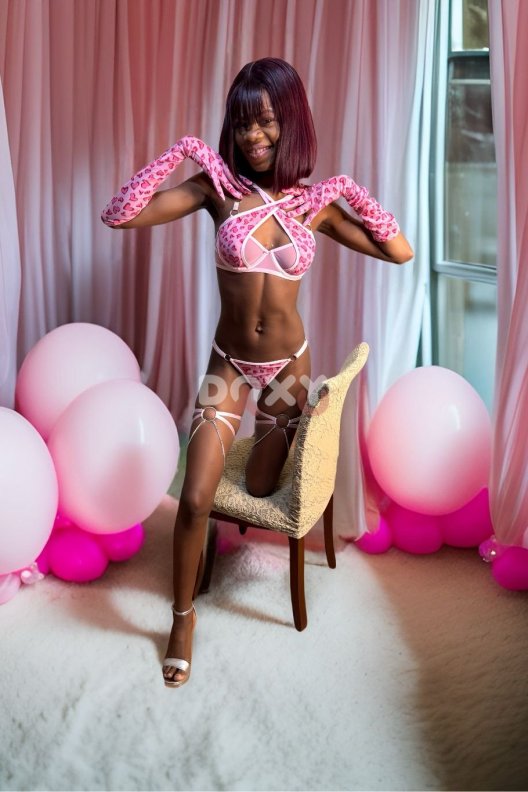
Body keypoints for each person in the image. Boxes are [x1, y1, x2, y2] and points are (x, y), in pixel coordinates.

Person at [101, 57, 413, 688]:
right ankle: (182, 619)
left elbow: (400, 251)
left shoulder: (313, 205)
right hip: (231, 364)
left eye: (266, 121)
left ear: (290, 121)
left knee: (262, 486)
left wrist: (346, 190)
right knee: (195, 497)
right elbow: (119, 213)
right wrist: (183, 151)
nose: (253, 136)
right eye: (242, 124)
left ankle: (266, 453)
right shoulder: (217, 190)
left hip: (288, 371)